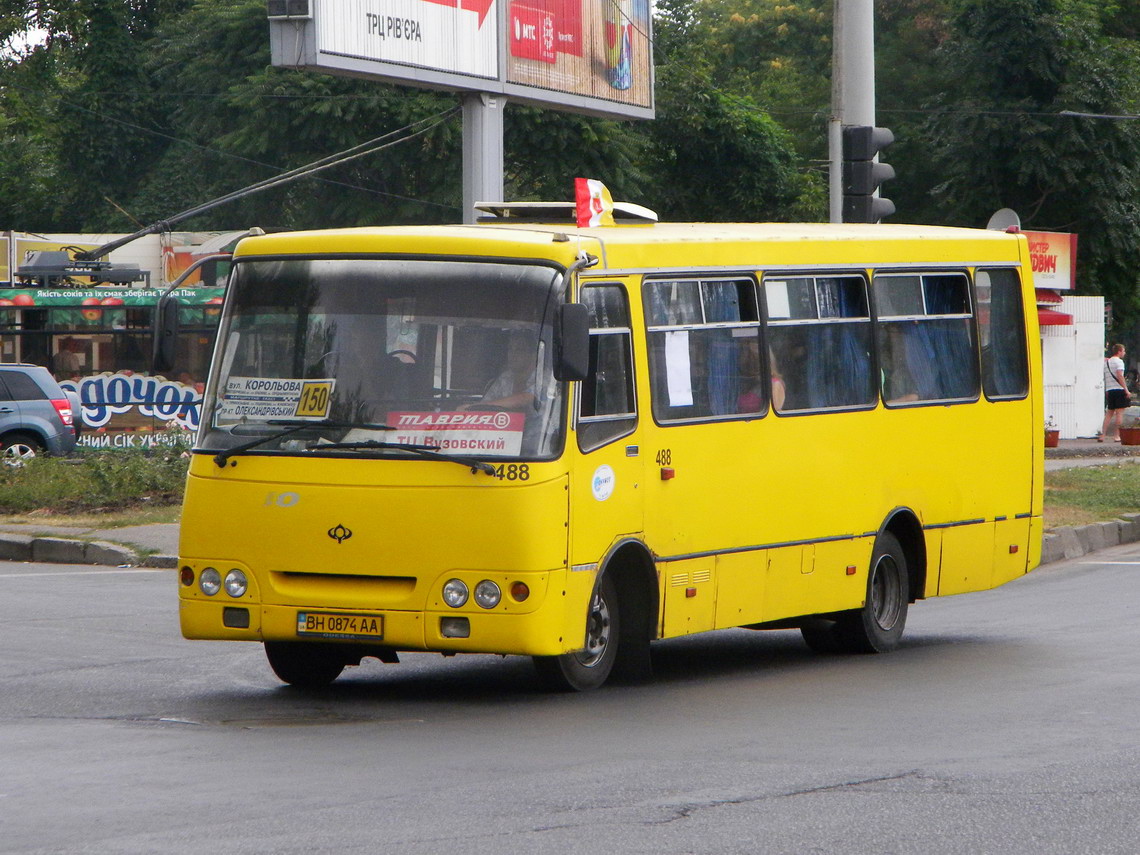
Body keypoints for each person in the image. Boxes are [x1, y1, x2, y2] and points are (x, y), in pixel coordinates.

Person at [1099, 343, 1130, 442]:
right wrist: (1126, 389)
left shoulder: (1106, 363)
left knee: (1109, 413)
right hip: (1119, 389)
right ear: (1119, 351)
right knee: (1119, 413)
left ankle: (1103, 434)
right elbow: (1120, 376)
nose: (1124, 353)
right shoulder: (1119, 362)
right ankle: (1117, 435)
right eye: (1123, 351)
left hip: (1110, 390)